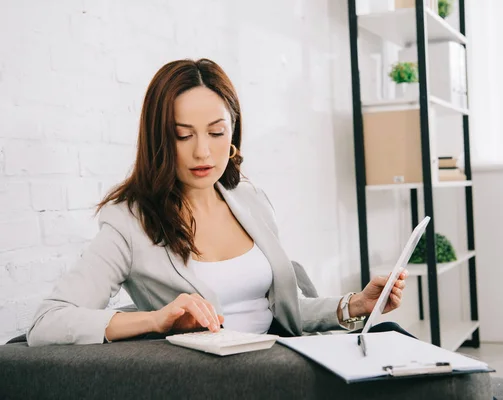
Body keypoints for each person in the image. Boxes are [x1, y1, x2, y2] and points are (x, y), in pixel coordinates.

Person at [26, 58, 410, 346]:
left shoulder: (250, 199)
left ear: (233, 132)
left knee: (395, 340)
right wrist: (156, 320)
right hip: (218, 376)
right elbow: (47, 322)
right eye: (183, 135)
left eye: (215, 132)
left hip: (283, 352)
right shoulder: (129, 222)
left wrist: (354, 305)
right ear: (160, 139)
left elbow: (285, 311)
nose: (202, 152)